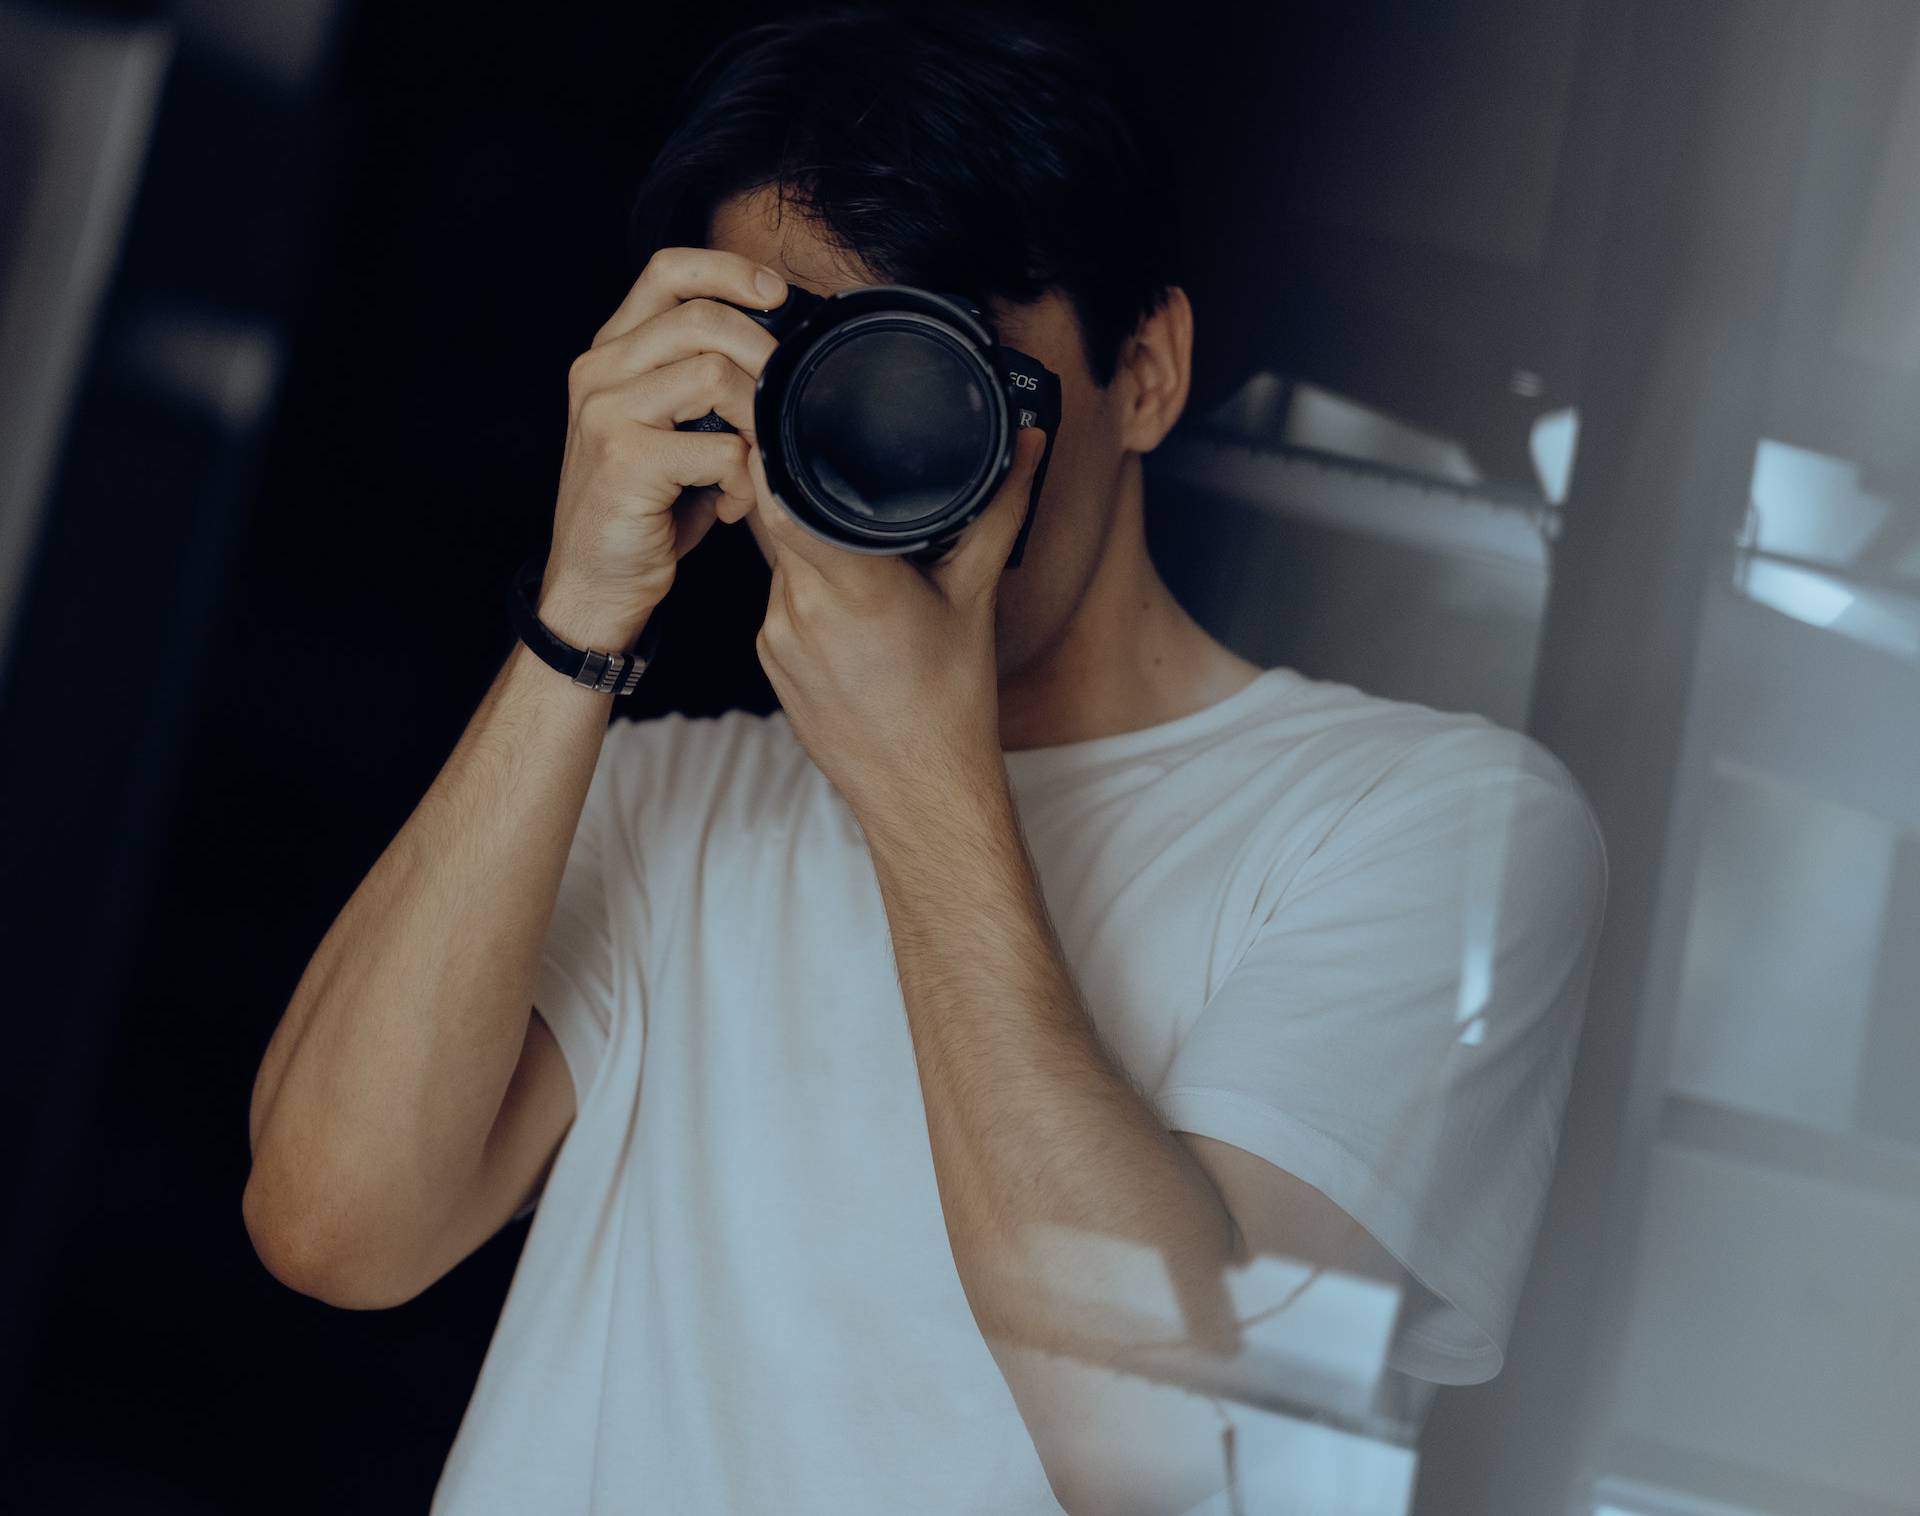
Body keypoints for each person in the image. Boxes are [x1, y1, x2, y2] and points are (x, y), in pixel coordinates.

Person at [242, 7, 1606, 1512]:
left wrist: (922, 781)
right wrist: (578, 622)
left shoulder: (1429, 827)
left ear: (1144, 371)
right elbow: (332, 1226)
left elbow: (1182, 1456)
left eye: (941, 368)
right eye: (816, 371)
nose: (884, 443)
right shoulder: (673, 794)